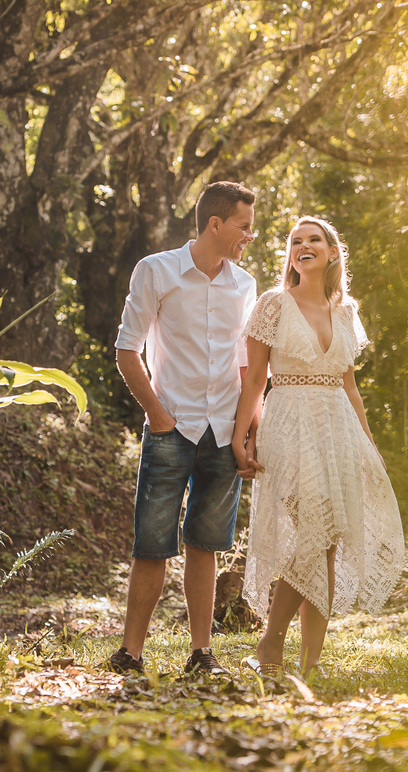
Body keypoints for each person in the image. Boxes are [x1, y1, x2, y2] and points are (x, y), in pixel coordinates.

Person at [231, 215, 404, 678]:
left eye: (314, 240)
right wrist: (240, 435)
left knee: (325, 541)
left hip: (338, 428)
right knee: (315, 531)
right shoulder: (272, 304)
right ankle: (271, 645)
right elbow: (254, 379)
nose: (303, 246)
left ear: (331, 252)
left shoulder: (345, 311)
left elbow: (349, 385)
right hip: (288, 422)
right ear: (290, 255)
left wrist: (368, 443)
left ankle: (308, 664)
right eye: (295, 241)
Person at [104, 181, 259, 676]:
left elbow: (245, 366)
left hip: (223, 432)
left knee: (206, 544)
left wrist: (248, 429)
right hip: (172, 428)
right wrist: (157, 414)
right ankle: (131, 652)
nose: (249, 237)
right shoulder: (157, 271)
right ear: (215, 223)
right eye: (243, 226)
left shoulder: (245, 285)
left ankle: (201, 653)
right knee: (152, 544)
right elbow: (127, 349)